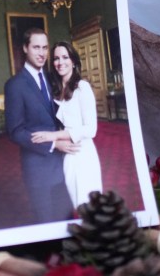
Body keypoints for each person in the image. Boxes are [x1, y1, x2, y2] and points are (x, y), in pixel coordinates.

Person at [3, 28, 77, 224]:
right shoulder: (15, 85)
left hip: (64, 165)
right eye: (36, 47)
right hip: (39, 170)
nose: (42, 53)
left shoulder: (54, 79)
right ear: (25, 48)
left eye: (45, 47)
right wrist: (54, 144)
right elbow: (16, 131)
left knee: (69, 221)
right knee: (46, 224)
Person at [31, 42, 103, 207]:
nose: (60, 62)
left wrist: (53, 136)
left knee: (89, 206)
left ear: (73, 61)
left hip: (82, 153)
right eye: (56, 58)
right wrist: (56, 142)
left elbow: (91, 129)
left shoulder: (82, 88)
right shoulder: (54, 90)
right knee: (72, 203)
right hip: (65, 154)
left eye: (65, 57)